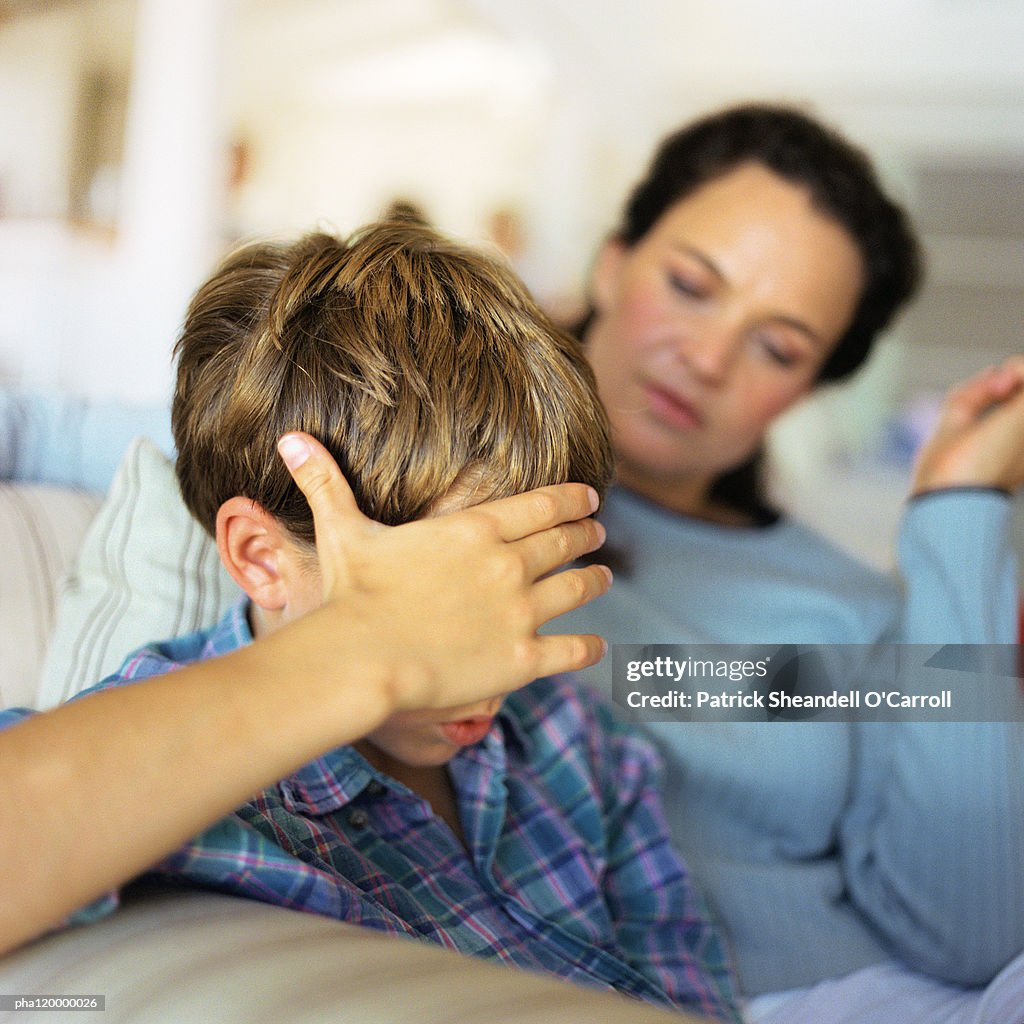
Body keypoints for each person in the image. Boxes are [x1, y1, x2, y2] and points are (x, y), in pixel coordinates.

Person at [0, 222, 739, 1022]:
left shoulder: (574, 743)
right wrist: (367, 648)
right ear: (260, 557)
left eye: (523, 577)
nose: (503, 657)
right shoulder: (179, 779)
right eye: (451, 588)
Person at [551, 103, 1024, 1017]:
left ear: (806, 389)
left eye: (777, 346)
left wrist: (961, 507)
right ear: (614, 261)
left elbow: (975, 933)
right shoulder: (448, 501)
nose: (707, 356)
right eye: (691, 285)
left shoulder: (843, 608)